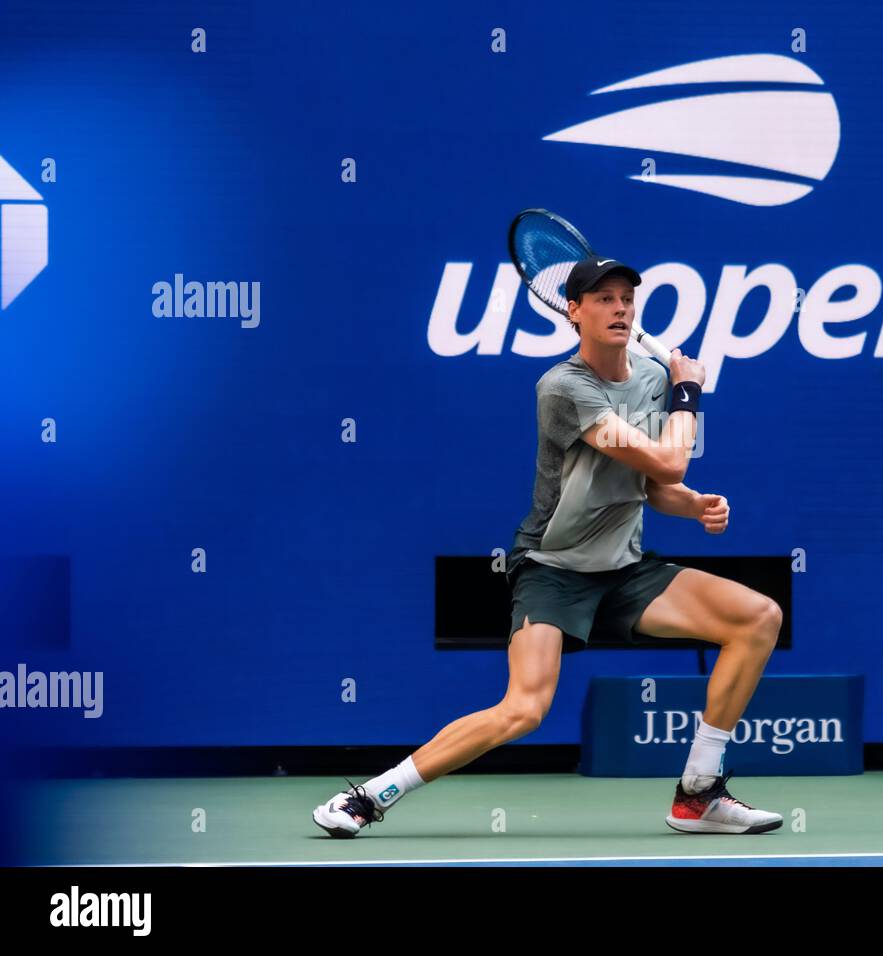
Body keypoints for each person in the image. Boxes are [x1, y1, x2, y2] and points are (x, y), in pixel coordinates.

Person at [312, 255, 783, 837]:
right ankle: (369, 796)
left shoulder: (653, 378)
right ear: (574, 312)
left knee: (759, 617)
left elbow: (657, 484)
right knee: (525, 709)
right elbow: (670, 456)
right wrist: (690, 395)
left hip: (626, 566)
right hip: (553, 569)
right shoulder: (562, 388)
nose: (618, 308)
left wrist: (696, 504)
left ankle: (698, 794)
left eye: (625, 299)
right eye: (603, 299)